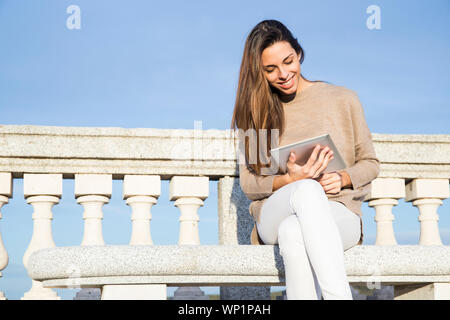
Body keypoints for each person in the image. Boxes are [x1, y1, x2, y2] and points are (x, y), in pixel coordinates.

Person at [230, 20, 380, 300]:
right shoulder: (255, 113)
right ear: (258, 72)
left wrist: (343, 177)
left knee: (293, 232)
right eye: (270, 69)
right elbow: (250, 185)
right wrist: (290, 179)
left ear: (298, 53)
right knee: (305, 191)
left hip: (340, 212)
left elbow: (370, 163)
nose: (283, 74)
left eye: (288, 61)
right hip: (277, 211)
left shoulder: (343, 99)